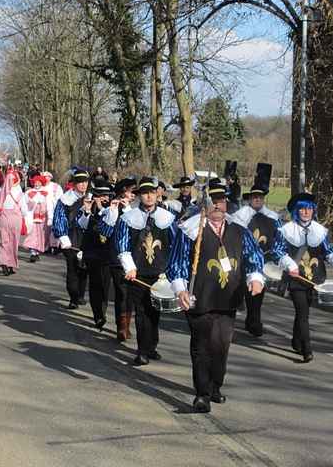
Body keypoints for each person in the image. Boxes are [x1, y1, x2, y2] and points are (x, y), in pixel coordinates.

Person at [167, 180, 265, 413]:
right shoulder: (190, 231)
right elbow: (177, 264)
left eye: (221, 201)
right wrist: (180, 289)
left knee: (221, 346)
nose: (218, 206)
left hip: (228, 299)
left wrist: (256, 278)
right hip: (198, 298)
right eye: (213, 202)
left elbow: (254, 257)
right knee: (201, 347)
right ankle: (201, 394)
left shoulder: (239, 230)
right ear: (205, 205)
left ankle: (215, 385)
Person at [271, 192, 333, 363]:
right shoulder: (286, 230)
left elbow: (329, 252)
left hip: (315, 279)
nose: (306, 212)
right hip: (295, 278)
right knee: (302, 312)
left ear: (313, 211)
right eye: (302, 209)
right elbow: (277, 252)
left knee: (303, 312)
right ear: (296, 211)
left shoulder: (320, 231)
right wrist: (289, 264)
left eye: (309, 209)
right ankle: (307, 350)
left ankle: (296, 340)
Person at [114, 176, 177, 365]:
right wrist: (129, 267)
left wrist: (171, 270)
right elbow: (122, 245)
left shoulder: (168, 219)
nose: (148, 197)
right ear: (139, 196)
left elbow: (175, 247)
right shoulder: (128, 218)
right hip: (138, 272)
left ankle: (152, 346)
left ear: (157, 195)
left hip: (160, 273)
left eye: (151, 193)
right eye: (144, 193)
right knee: (141, 312)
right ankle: (142, 350)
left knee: (154, 312)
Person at [232, 163, 280, 336]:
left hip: (264, 260)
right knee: (241, 291)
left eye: (260, 197)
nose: (257, 199)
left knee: (257, 292)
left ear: (263, 198)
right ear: (250, 198)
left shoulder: (273, 217)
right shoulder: (240, 216)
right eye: (254, 197)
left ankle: (254, 320)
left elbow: (278, 238)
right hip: (242, 259)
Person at [99, 176, 137, 341]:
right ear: (122, 193)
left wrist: (129, 210)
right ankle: (121, 326)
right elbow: (104, 233)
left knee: (131, 294)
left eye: (134, 193)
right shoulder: (111, 209)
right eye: (130, 192)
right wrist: (113, 212)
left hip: (135, 259)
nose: (133, 195)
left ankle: (127, 324)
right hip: (116, 257)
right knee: (121, 292)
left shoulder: (136, 210)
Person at [52, 169, 90, 309]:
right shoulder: (65, 199)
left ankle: (80, 294)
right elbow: (59, 218)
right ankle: (73, 297)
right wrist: (63, 236)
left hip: (87, 239)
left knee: (84, 269)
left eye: (85, 182)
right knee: (73, 269)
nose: (83, 185)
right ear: (74, 184)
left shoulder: (90, 197)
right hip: (71, 238)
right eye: (80, 183)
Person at [79, 180, 114, 330]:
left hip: (107, 254)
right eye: (101, 196)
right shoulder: (89, 208)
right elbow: (82, 225)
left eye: (106, 196)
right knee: (94, 285)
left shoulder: (112, 210)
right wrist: (87, 211)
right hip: (93, 253)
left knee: (105, 285)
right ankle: (98, 315)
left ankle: (102, 310)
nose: (104, 199)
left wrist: (103, 209)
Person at [0, 170, 28, 276]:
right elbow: (24, 210)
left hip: (3, 219)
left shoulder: (2, 190)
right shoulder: (19, 192)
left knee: (4, 242)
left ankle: (3, 261)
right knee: (14, 242)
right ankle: (11, 264)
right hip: (15, 219)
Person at [23, 175, 54, 262]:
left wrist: (50, 218)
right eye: (35, 182)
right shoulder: (29, 192)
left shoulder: (46, 192)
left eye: (39, 182)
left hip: (43, 219)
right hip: (32, 218)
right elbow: (24, 205)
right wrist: (29, 205)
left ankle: (36, 252)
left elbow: (50, 205)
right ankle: (33, 252)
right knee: (32, 235)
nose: (37, 184)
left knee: (42, 236)